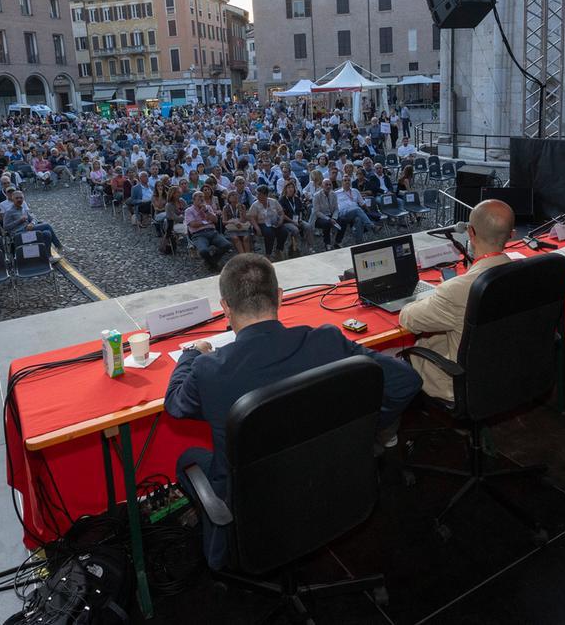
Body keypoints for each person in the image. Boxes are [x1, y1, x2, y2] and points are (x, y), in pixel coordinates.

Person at [165, 254, 421, 568]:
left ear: (225, 308)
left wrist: (190, 356)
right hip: (333, 476)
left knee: (187, 460)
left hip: (259, 506)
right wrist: (360, 430)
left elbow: (175, 405)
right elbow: (406, 381)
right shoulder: (327, 340)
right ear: (280, 297)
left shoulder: (209, 370)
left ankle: (222, 541)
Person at [398, 199, 515, 401]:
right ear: (512, 235)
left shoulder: (456, 290)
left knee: (398, 354)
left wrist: (439, 294)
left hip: (465, 382)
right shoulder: (524, 273)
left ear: (470, 232)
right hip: (510, 365)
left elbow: (408, 319)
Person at [184, 191, 231, 270]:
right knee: (203, 251)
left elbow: (215, 220)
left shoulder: (208, 207)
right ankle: (213, 263)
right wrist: (205, 222)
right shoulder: (189, 210)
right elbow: (192, 224)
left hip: (212, 232)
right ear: (194, 200)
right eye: (199, 197)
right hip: (198, 234)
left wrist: (206, 211)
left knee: (227, 245)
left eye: (202, 196)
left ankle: (211, 261)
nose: (202, 198)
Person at [247, 185, 286, 258]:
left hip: (274, 222)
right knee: (269, 233)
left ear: (266, 195)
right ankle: (268, 253)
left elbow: (281, 212)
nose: (258, 196)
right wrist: (257, 228)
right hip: (261, 224)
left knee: (284, 231)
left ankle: (278, 249)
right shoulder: (255, 205)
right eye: (257, 194)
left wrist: (281, 221)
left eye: (260, 194)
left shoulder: (273, 202)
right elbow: (251, 218)